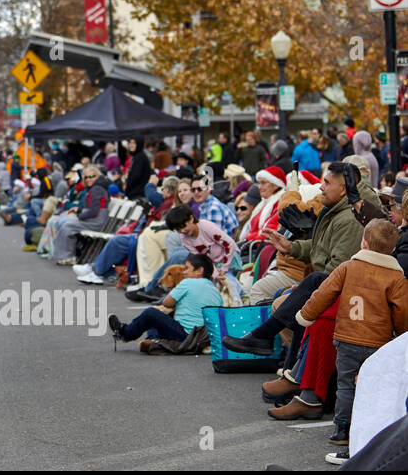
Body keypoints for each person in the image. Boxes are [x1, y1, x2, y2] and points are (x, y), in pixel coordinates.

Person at [223, 162, 364, 362]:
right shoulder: (334, 210)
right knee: (289, 300)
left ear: (342, 189)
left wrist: (307, 288)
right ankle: (292, 365)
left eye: (327, 182)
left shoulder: (347, 218)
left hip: (339, 289)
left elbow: (337, 270)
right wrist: (291, 247)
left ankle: (289, 362)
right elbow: (320, 249)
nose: (321, 187)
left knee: (293, 302)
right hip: (323, 281)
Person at [295, 218, 408, 459]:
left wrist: (306, 315)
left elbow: (323, 293)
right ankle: (365, 430)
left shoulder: (348, 267)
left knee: (345, 385)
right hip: (378, 342)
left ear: (363, 242)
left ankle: (341, 429)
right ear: (392, 250)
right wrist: (401, 334)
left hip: (346, 338)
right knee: (370, 386)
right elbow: (402, 311)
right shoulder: (396, 278)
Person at [108, 253, 220, 343]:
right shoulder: (215, 291)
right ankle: (153, 339)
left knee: (151, 313)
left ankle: (124, 333)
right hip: (205, 338)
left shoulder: (188, 282)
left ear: (199, 271)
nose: (184, 272)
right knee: (160, 318)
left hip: (187, 336)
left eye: (187, 268)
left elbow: (167, 303)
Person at [49, 166, 109, 265]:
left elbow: (94, 211)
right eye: (86, 177)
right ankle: (66, 255)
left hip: (96, 221)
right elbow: (90, 206)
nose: (89, 179)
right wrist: (79, 209)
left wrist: (80, 216)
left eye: (92, 176)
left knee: (68, 226)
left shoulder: (97, 189)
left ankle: (68, 256)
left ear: (97, 176)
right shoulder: (95, 187)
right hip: (94, 219)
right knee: (67, 225)